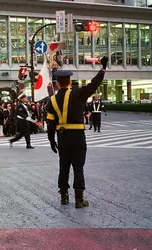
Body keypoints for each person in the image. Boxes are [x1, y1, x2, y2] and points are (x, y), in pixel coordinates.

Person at [45, 56, 108, 208]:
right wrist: (103, 68)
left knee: (63, 167)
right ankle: (79, 199)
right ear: (70, 82)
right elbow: (94, 84)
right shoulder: (78, 94)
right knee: (78, 168)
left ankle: (64, 197)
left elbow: (50, 123)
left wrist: (51, 140)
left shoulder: (51, 101)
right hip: (78, 137)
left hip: (63, 138)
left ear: (58, 83)